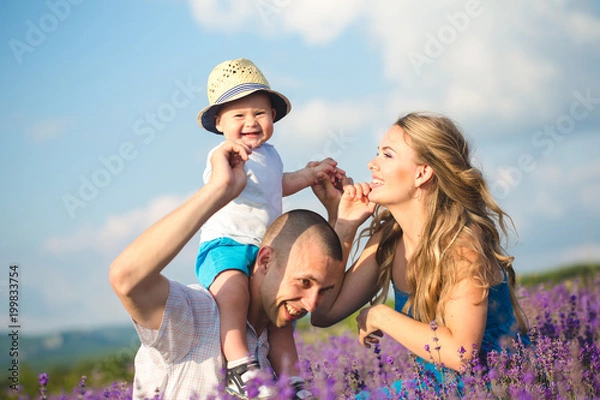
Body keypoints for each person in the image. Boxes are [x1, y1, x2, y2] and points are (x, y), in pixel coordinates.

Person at [310, 112, 530, 397]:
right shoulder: (388, 239)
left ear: (422, 173)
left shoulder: (461, 246)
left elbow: (462, 356)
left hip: (495, 386)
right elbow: (324, 312)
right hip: (432, 389)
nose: (372, 164)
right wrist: (344, 226)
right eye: (377, 153)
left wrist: (379, 315)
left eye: (387, 156)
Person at [109, 139, 344, 399]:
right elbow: (126, 278)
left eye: (322, 291)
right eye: (304, 283)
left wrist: (342, 217)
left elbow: (316, 258)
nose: (311, 304)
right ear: (264, 261)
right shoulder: (195, 317)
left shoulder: (275, 343)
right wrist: (218, 189)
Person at [194, 58, 344, 397]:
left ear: (273, 116)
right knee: (233, 294)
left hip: (265, 250)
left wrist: (309, 176)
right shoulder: (224, 155)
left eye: (260, 113)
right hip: (226, 245)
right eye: (239, 115)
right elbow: (218, 185)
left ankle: (292, 377)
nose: (251, 122)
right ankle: (239, 365)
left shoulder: (271, 156)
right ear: (219, 123)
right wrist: (227, 166)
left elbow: (277, 184)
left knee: (282, 319)